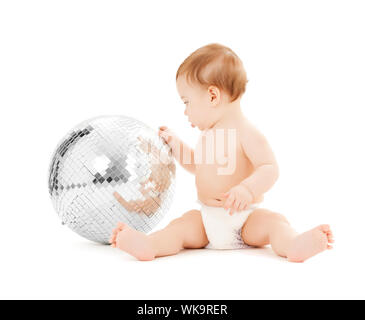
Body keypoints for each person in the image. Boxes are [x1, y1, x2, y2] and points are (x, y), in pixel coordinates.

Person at [109, 43, 334, 262]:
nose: (185, 111)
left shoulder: (246, 132)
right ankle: (150, 246)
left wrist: (247, 189)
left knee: (274, 223)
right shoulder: (208, 134)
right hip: (207, 219)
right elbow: (197, 165)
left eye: (187, 102)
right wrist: (175, 144)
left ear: (213, 96)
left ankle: (293, 245)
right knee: (181, 226)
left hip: (246, 218)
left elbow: (270, 168)